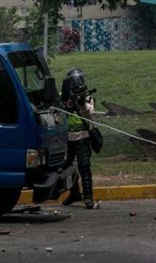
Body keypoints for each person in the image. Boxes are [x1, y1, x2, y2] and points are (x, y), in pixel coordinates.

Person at [61, 68, 95, 209]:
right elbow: (57, 111)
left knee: (84, 167)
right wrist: (67, 104)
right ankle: (74, 193)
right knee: (66, 168)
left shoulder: (87, 97)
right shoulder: (63, 96)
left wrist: (81, 104)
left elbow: (89, 113)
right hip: (67, 138)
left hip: (83, 137)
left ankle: (88, 197)